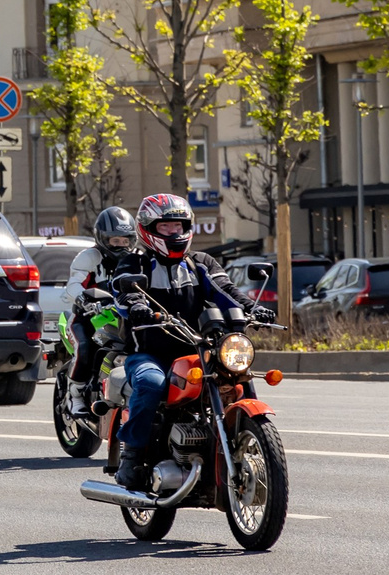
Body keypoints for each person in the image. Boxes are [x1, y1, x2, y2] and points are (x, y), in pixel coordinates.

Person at [113, 192, 250, 496]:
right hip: (150, 353)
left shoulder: (199, 263)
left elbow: (225, 290)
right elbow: (125, 291)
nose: (174, 233)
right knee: (151, 384)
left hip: (198, 351)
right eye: (166, 227)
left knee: (237, 378)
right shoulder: (134, 262)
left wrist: (251, 307)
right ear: (148, 228)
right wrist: (135, 304)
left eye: (179, 226)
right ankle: (132, 456)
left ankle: (245, 442)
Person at [63, 207, 143, 418]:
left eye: (125, 240)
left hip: (123, 317)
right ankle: (75, 396)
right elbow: (72, 285)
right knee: (85, 347)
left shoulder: (138, 259)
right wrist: (83, 299)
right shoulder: (89, 257)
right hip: (87, 318)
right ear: (102, 238)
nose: (121, 246)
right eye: (115, 241)